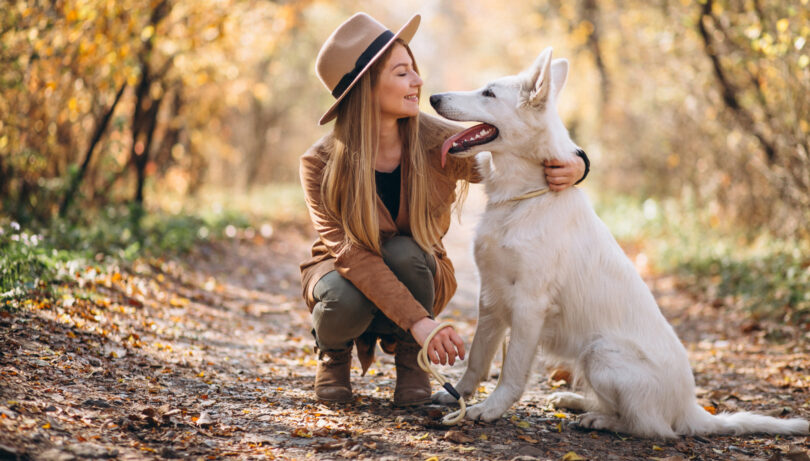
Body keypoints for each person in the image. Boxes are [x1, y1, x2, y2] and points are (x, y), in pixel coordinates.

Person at [299, 12, 587, 406]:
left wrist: (578, 162)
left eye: (414, 69)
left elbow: (522, 143)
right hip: (345, 273)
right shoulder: (319, 163)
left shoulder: (440, 140)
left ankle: (410, 359)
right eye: (403, 73)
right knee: (339, 296)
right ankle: (333, 354)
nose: (418, 80)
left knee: (407, 253)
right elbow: (351, 255)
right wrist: (421, 322)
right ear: (366, 88)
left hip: (416, 270)